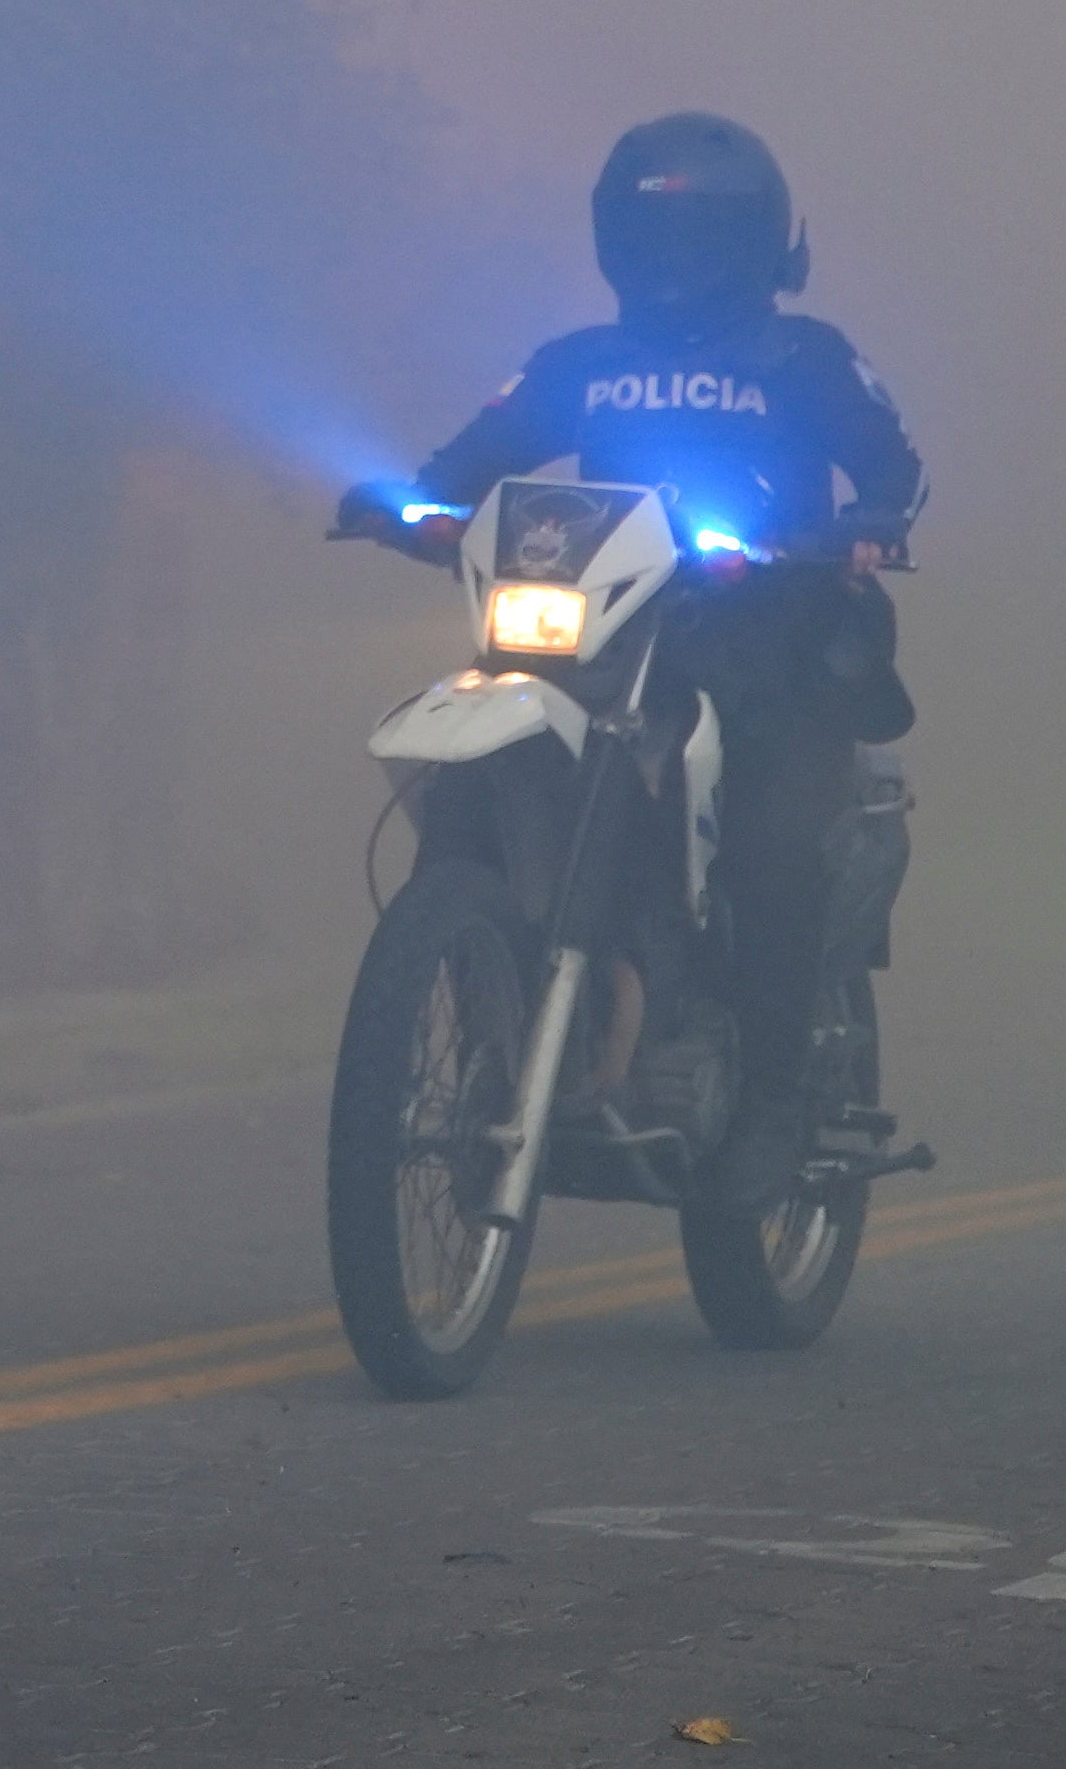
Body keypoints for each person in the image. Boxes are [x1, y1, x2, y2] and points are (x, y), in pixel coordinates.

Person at [356, 111, 926, 1206]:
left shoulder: (807, 354)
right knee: (475, 775)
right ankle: (483, 1020)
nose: (678, 260)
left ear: (761, 241)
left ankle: (769, 1102)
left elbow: (894, 465)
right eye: (655, 234)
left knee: (769, 846)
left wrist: (872, 521)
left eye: (702, 235)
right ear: (615, 239)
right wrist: (411, 504)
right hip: (602, 643)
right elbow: (465, 460)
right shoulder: (580, 362)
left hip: (772, 652)